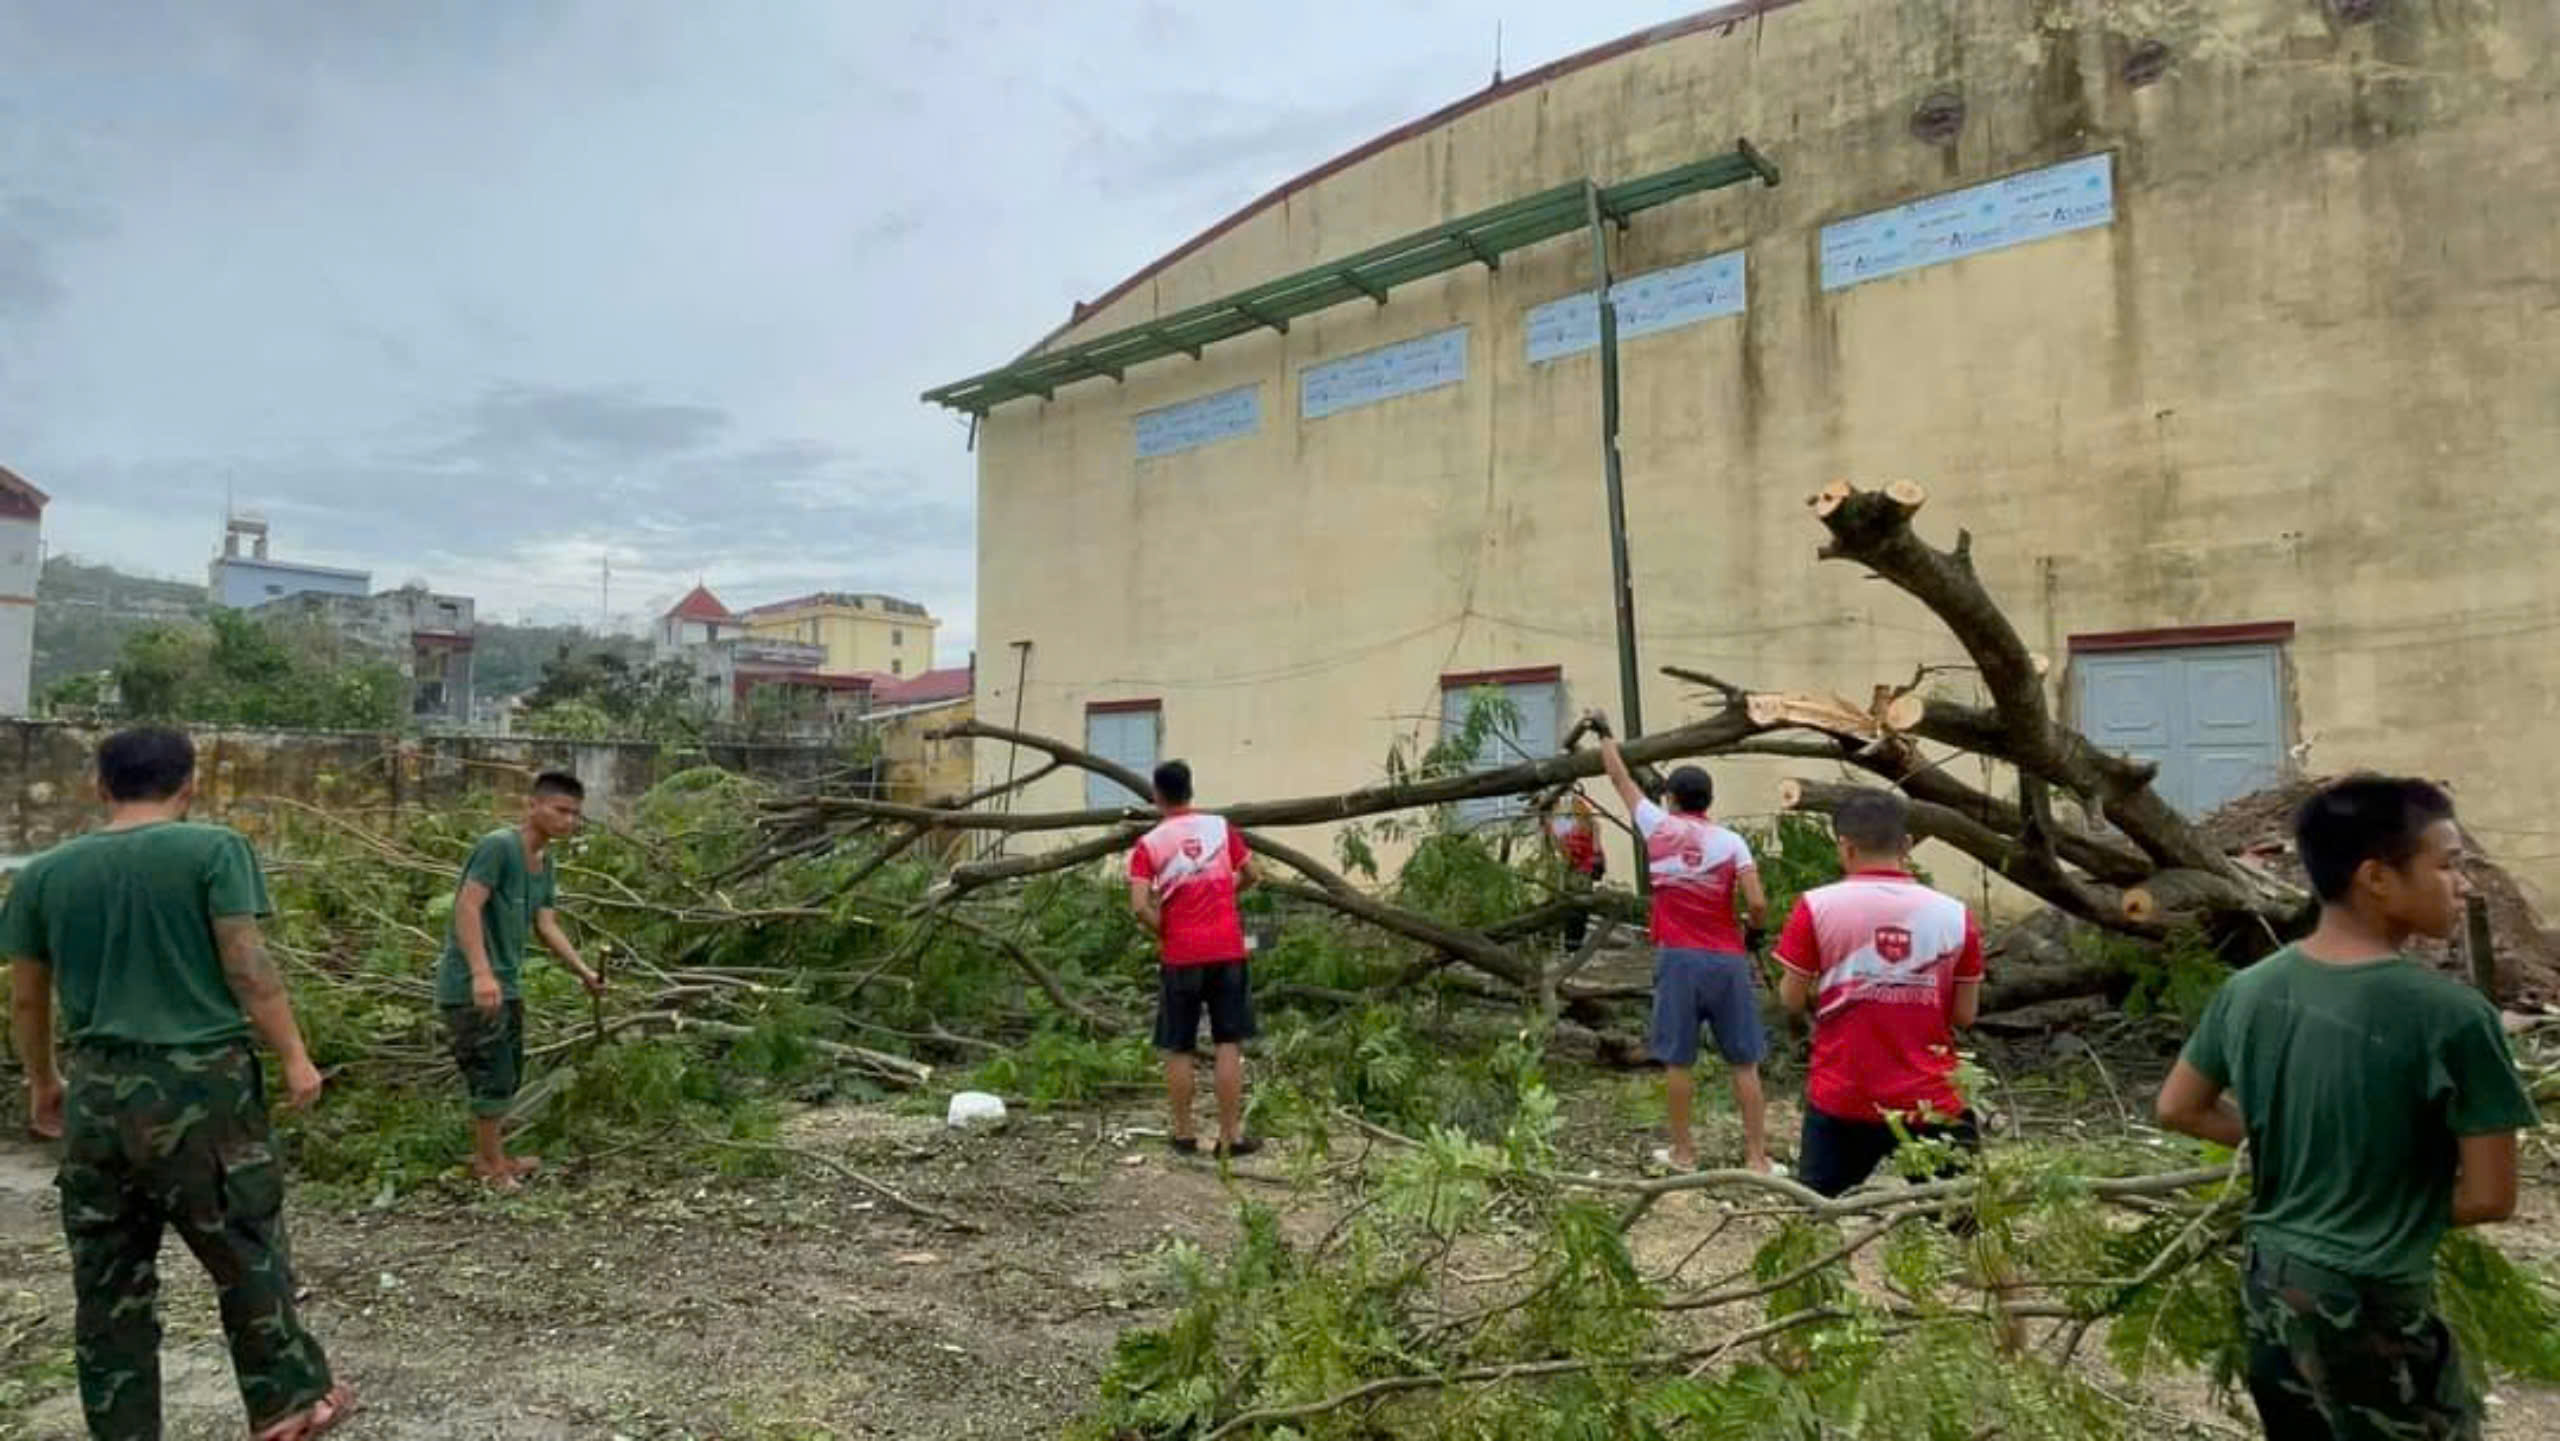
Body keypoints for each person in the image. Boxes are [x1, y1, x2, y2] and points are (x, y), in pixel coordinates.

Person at [2155, 777, 2537, 1440]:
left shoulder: (2249, 990)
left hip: (2272, 1288)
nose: (2464, 885)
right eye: (2448, 865)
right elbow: (2489, 1196)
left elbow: (2178, 1107)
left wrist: (2305, 1153)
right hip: (2372, 1302)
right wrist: (2378, 1198)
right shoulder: (2452, 1017)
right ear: (2376, 877)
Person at [3, 726, 353, 1440]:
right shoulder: (214, 850)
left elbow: (29, 999)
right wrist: (295, 1055)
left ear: (100, 786)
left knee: (108, 1282)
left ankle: (124, 1429)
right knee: (245, 1246)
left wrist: (44, 1080)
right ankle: (288, 1405)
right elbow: (247, 964)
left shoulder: (44, 873)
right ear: (191, 783)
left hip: (99, 1089)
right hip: (202, 1086)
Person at [1773, 788, 1986, 1199]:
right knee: (1962, 1223)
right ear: (1906, 845)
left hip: (1844, 1096)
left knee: (1814, 1217)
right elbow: (1965, 1016)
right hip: (1930, 1100)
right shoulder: (1955, 915)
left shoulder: (1815, 907)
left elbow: (1790, 999)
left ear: (1845, 847)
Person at [1590, 714, 1772, 1173]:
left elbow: (1619, 778)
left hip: (1678, 959)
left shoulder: (1658, 826)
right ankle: (1756, 1158)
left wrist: (1605, 734)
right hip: (1727, 960)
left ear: (1670, 799)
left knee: (1677, 1061)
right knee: (1744, 1062)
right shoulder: (1732, 842)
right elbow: (1757, 902)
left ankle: (1684, 1154)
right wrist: (1754, 931)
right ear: (1709, 800)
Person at [434, 770, 604, 1188]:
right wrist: (481, 973)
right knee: (490, 1073)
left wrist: (583, 971)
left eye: (575, 814)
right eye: (560, 810)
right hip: (471, 984)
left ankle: (492, 1157)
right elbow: (467, 907)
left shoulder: (545, 863)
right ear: (533, 805)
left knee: (508, 1072)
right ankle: (491, 1169)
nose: (569, 821)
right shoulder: (499, 846)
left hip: (507, 983)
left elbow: (546, 925)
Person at [1127, 759, 1261, 1158]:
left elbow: (1139, 905)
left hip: (1181, 955)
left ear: (1157, 795)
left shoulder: (1149, 844)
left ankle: (1184, 1133)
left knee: (1179, 1045)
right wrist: (1222, 893)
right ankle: (1230, 1136)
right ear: (1190, 789)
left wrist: (1166, 931)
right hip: (1227, 949)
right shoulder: (1220, 828)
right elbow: (1253, 874)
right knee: (1228, 1042)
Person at [1538, 789, 1606, 955]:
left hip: (1580, 867)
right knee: (1570, 906)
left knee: (1577, 906)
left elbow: (1592, 829)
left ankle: (1571, 946)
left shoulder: (1572, 810)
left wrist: (1596, 852)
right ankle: (1567, 945)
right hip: (1572, 868)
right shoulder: (1560, 816)